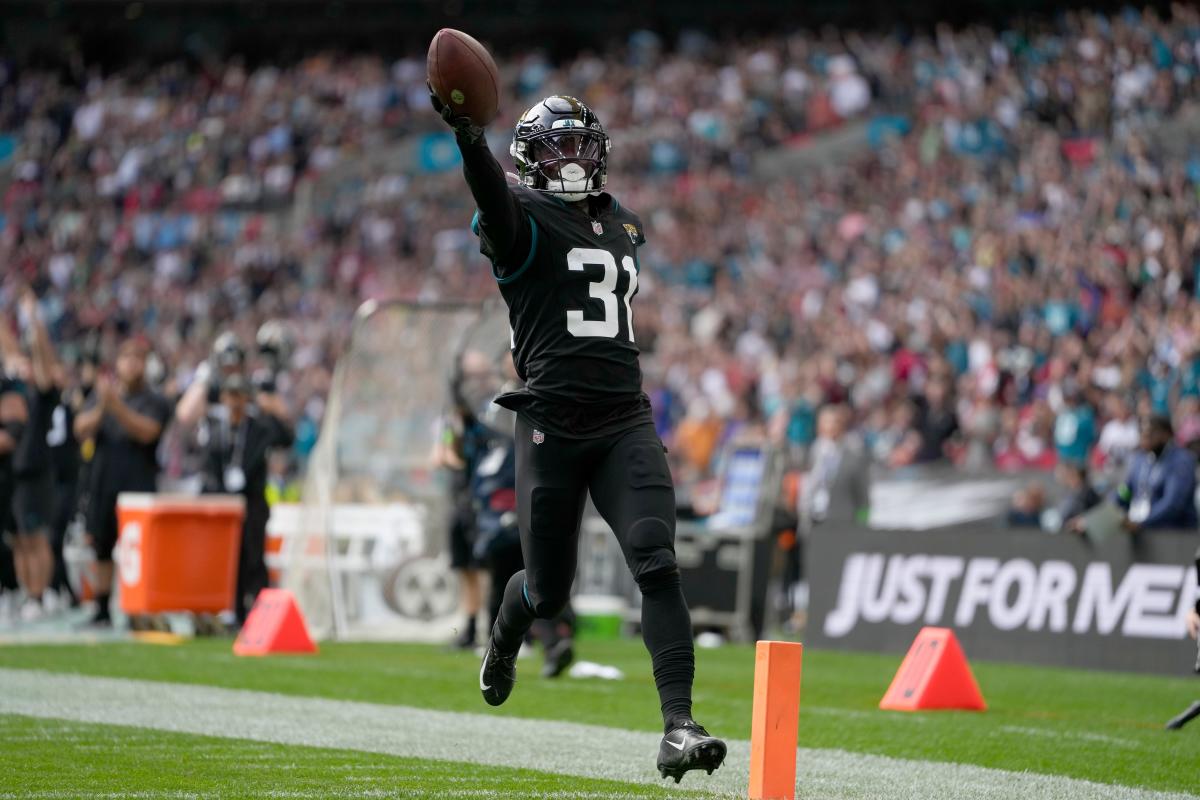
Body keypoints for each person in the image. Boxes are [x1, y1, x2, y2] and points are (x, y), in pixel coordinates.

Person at [432, 88, 726, 782]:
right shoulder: (517, 217)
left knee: (655, 558)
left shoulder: (620, 223)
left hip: (624, 417)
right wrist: (470, 138)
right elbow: (490, 193)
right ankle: (504, 643)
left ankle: (679, 725)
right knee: (546, 591)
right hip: (552, 424)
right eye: (557, 146)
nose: (572, 157)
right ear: (531, 161)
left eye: (579, 144)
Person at [73, 338, 173, 627]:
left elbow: (147, 432)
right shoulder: (102, 396)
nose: (132, 364)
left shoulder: (154, 400)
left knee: (139, 548)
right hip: (104, 482)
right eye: (127, 357)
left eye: (138, 358)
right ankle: (102, 607)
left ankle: (139, 608)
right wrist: (103, 407)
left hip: (138, 486)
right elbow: (80, 428)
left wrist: (115, 407)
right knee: (102, 546)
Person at [198, 373, 293, 625]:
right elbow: (208, 463)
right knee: (232, 558)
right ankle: (235, 611)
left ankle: (261, 611)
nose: (235, 402)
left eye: (239, 395)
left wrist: (275, 409)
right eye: (230, 395)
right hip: (227, 504)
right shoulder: (216, 428)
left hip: (252, 502)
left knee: (254, 556)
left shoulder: (259, 426)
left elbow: (286, 437)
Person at [434, 350, 494, 650]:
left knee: (486, 566)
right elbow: (445, 453)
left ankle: (494, 628)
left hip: (481, 497)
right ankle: (470, 628)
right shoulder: (453, 419)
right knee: (466, 567)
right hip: (460, 497)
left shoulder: (485, 413)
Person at [8, 292, 60, 619]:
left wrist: (33, 318)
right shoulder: (14, 394)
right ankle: (27, 593)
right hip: (15, 474)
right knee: (19, 540)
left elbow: (43, 362)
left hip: (37, 473)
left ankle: (40, 595)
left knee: (36, 538)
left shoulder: (43, 395)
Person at [1114, 415, 1198, 532]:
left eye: (1149, 433)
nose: (1144, 437)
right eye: (1141, 432)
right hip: (1144, 530)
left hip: (1174, 535)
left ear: (1166, 434)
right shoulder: (1140, 459)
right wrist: (1109, 512)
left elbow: (1173, 504)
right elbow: (1126, 491)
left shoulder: (1180, 461)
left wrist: (1143, 522)